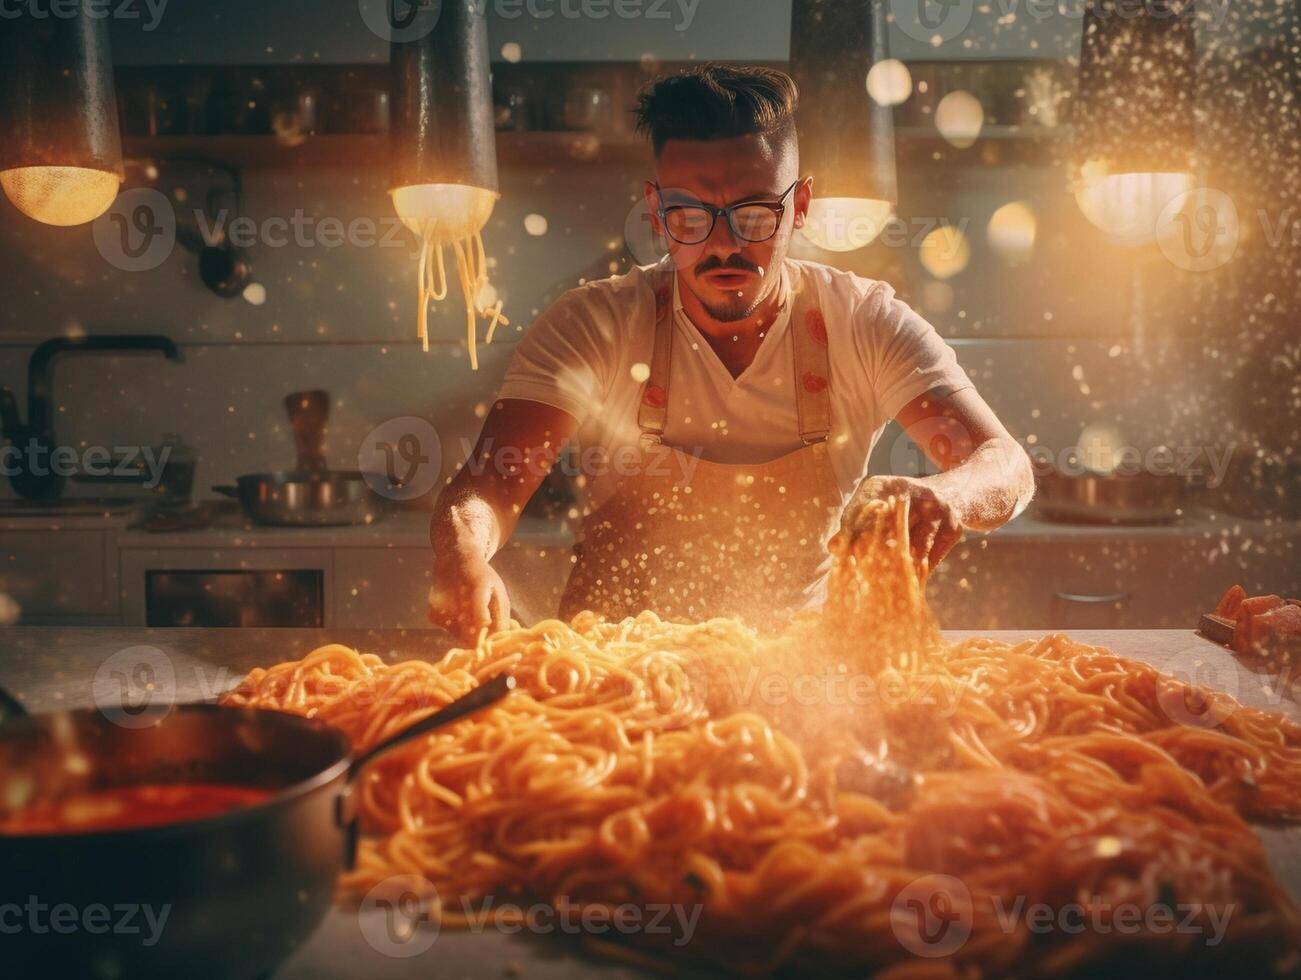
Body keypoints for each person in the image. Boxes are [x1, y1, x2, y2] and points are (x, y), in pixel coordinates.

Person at [429, 64, 1033, 642]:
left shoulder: (863, 322)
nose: (724, 245)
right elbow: (486, 490)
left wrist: (946, 497)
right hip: (609, 677)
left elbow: (1005, 463)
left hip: (803, 684)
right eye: (690, 215)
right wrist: (464, 554)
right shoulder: (594, 325)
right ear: (657, 213)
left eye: (754, 213)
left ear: (798, 206)